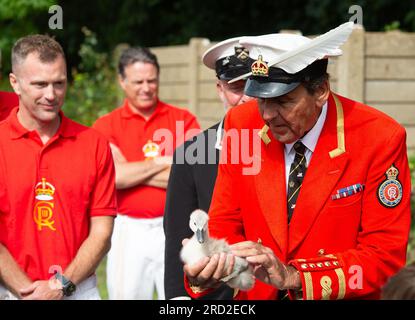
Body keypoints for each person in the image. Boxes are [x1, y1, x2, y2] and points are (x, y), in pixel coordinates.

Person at [182, 23, 411, 300]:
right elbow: (225, 221)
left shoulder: (378, 137)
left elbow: (384, 257)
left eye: (283, 101)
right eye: (261, 100)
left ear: (321, 91)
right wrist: (209, 264)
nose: (267, 115)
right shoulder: (241, 124)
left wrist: (295, 276)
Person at [0, 34, 116, 300]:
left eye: (59, 84)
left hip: (76, 289)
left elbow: (102, 232)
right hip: (11, 291)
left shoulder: (94, 144)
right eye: (40, 84)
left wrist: (59, 285)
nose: (51, 95)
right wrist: (27, 292)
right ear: (15, 83)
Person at [93, 47, 200, 300]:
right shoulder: (105, 125)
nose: (146, 87)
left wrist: (133, 169)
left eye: (151, 80)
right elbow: (114, 178)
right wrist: (166, 161)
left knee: (178, 299)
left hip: (175, 227)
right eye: (138, 81)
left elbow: (192, 178)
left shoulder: (183, 120)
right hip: (127, 229)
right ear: (122, 81)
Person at [163, 37, 254, 300]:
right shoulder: (191, 155)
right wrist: (179, 300)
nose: (247, 97)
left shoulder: (289, 145)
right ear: (220, 89)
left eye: (255, 86)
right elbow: (177, 237)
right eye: (236, 87)